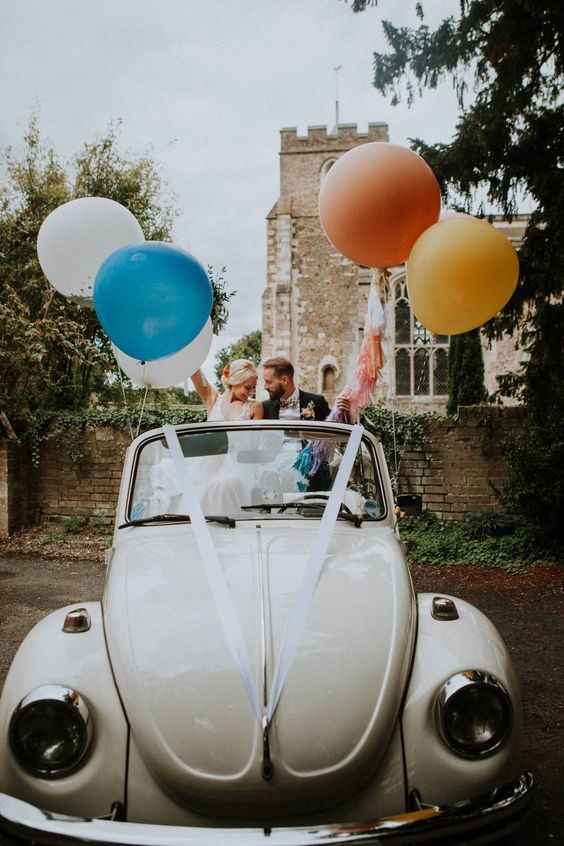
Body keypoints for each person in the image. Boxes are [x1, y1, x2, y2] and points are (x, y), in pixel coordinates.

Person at [261, 356, 350, 421]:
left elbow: (336, 429)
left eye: (268, 382)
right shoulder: (264, 408)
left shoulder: (317, 402)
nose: (265, 387)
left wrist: (343, 411)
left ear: (284, 380)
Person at [191, 359, 264, 421]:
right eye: (247, 388)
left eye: (254, 387)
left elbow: (256, 437)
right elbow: (193, 368)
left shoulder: (255, 407)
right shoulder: (213, 399)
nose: (251, 393)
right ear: (235, 381)